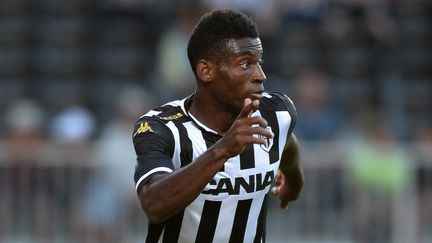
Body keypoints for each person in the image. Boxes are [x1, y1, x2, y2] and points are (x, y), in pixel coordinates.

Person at [132, 9, 304, 243]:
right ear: (206, 71)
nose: (261, 75)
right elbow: (153, 204)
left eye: (258, 62)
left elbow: (287, 142)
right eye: (245, 64)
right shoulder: (161, 127)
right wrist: (223, 149)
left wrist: (294, 180)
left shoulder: (277, 112)